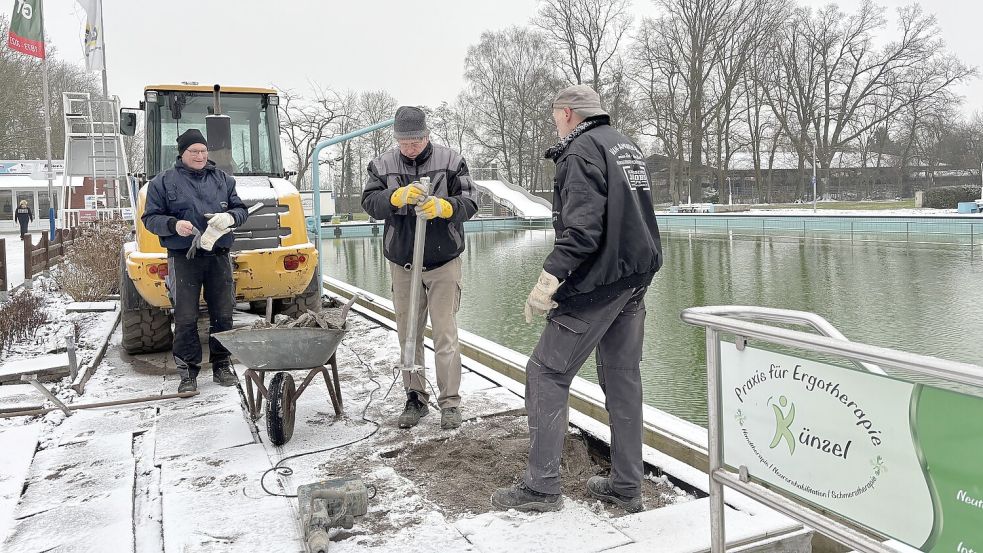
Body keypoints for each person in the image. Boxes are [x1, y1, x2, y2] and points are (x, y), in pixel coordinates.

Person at [491, 85, 663, 513]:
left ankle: (542, 487)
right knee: (623, 379)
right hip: (634, 278)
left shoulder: (581, 150)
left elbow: (583, 230)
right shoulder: (623, 144)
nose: (554, 122)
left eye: (555, 115)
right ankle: (627, 485)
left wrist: (549, 279)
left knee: (546, 374)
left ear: (567, 113)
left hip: (598, 283)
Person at [361, 106, 479, 430]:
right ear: (397, 139)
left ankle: (450, 403)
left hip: (443, 263)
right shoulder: (382, 164)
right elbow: (370, 203)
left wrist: (445, 207)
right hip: (404, 263)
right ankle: (415, 398)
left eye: (415, 141)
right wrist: (395, 196)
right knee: (408, 334)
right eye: (404, 142)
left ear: (427, 135)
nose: (410, 147)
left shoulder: (451, 161)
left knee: (445, 334)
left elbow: (471, 201)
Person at [142, 128, 249, 393]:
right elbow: (150, 218)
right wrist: (173, 224)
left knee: (223, 313)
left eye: (203, 151)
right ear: (182, 153)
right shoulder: (163, 182)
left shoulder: (223, 180)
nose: (200, 156)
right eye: (194, 151)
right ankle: (187, 373)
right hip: (183, 259)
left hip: (218, 257)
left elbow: (241, 210)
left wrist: (231, 218)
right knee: (186, 316)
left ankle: (222, 364)